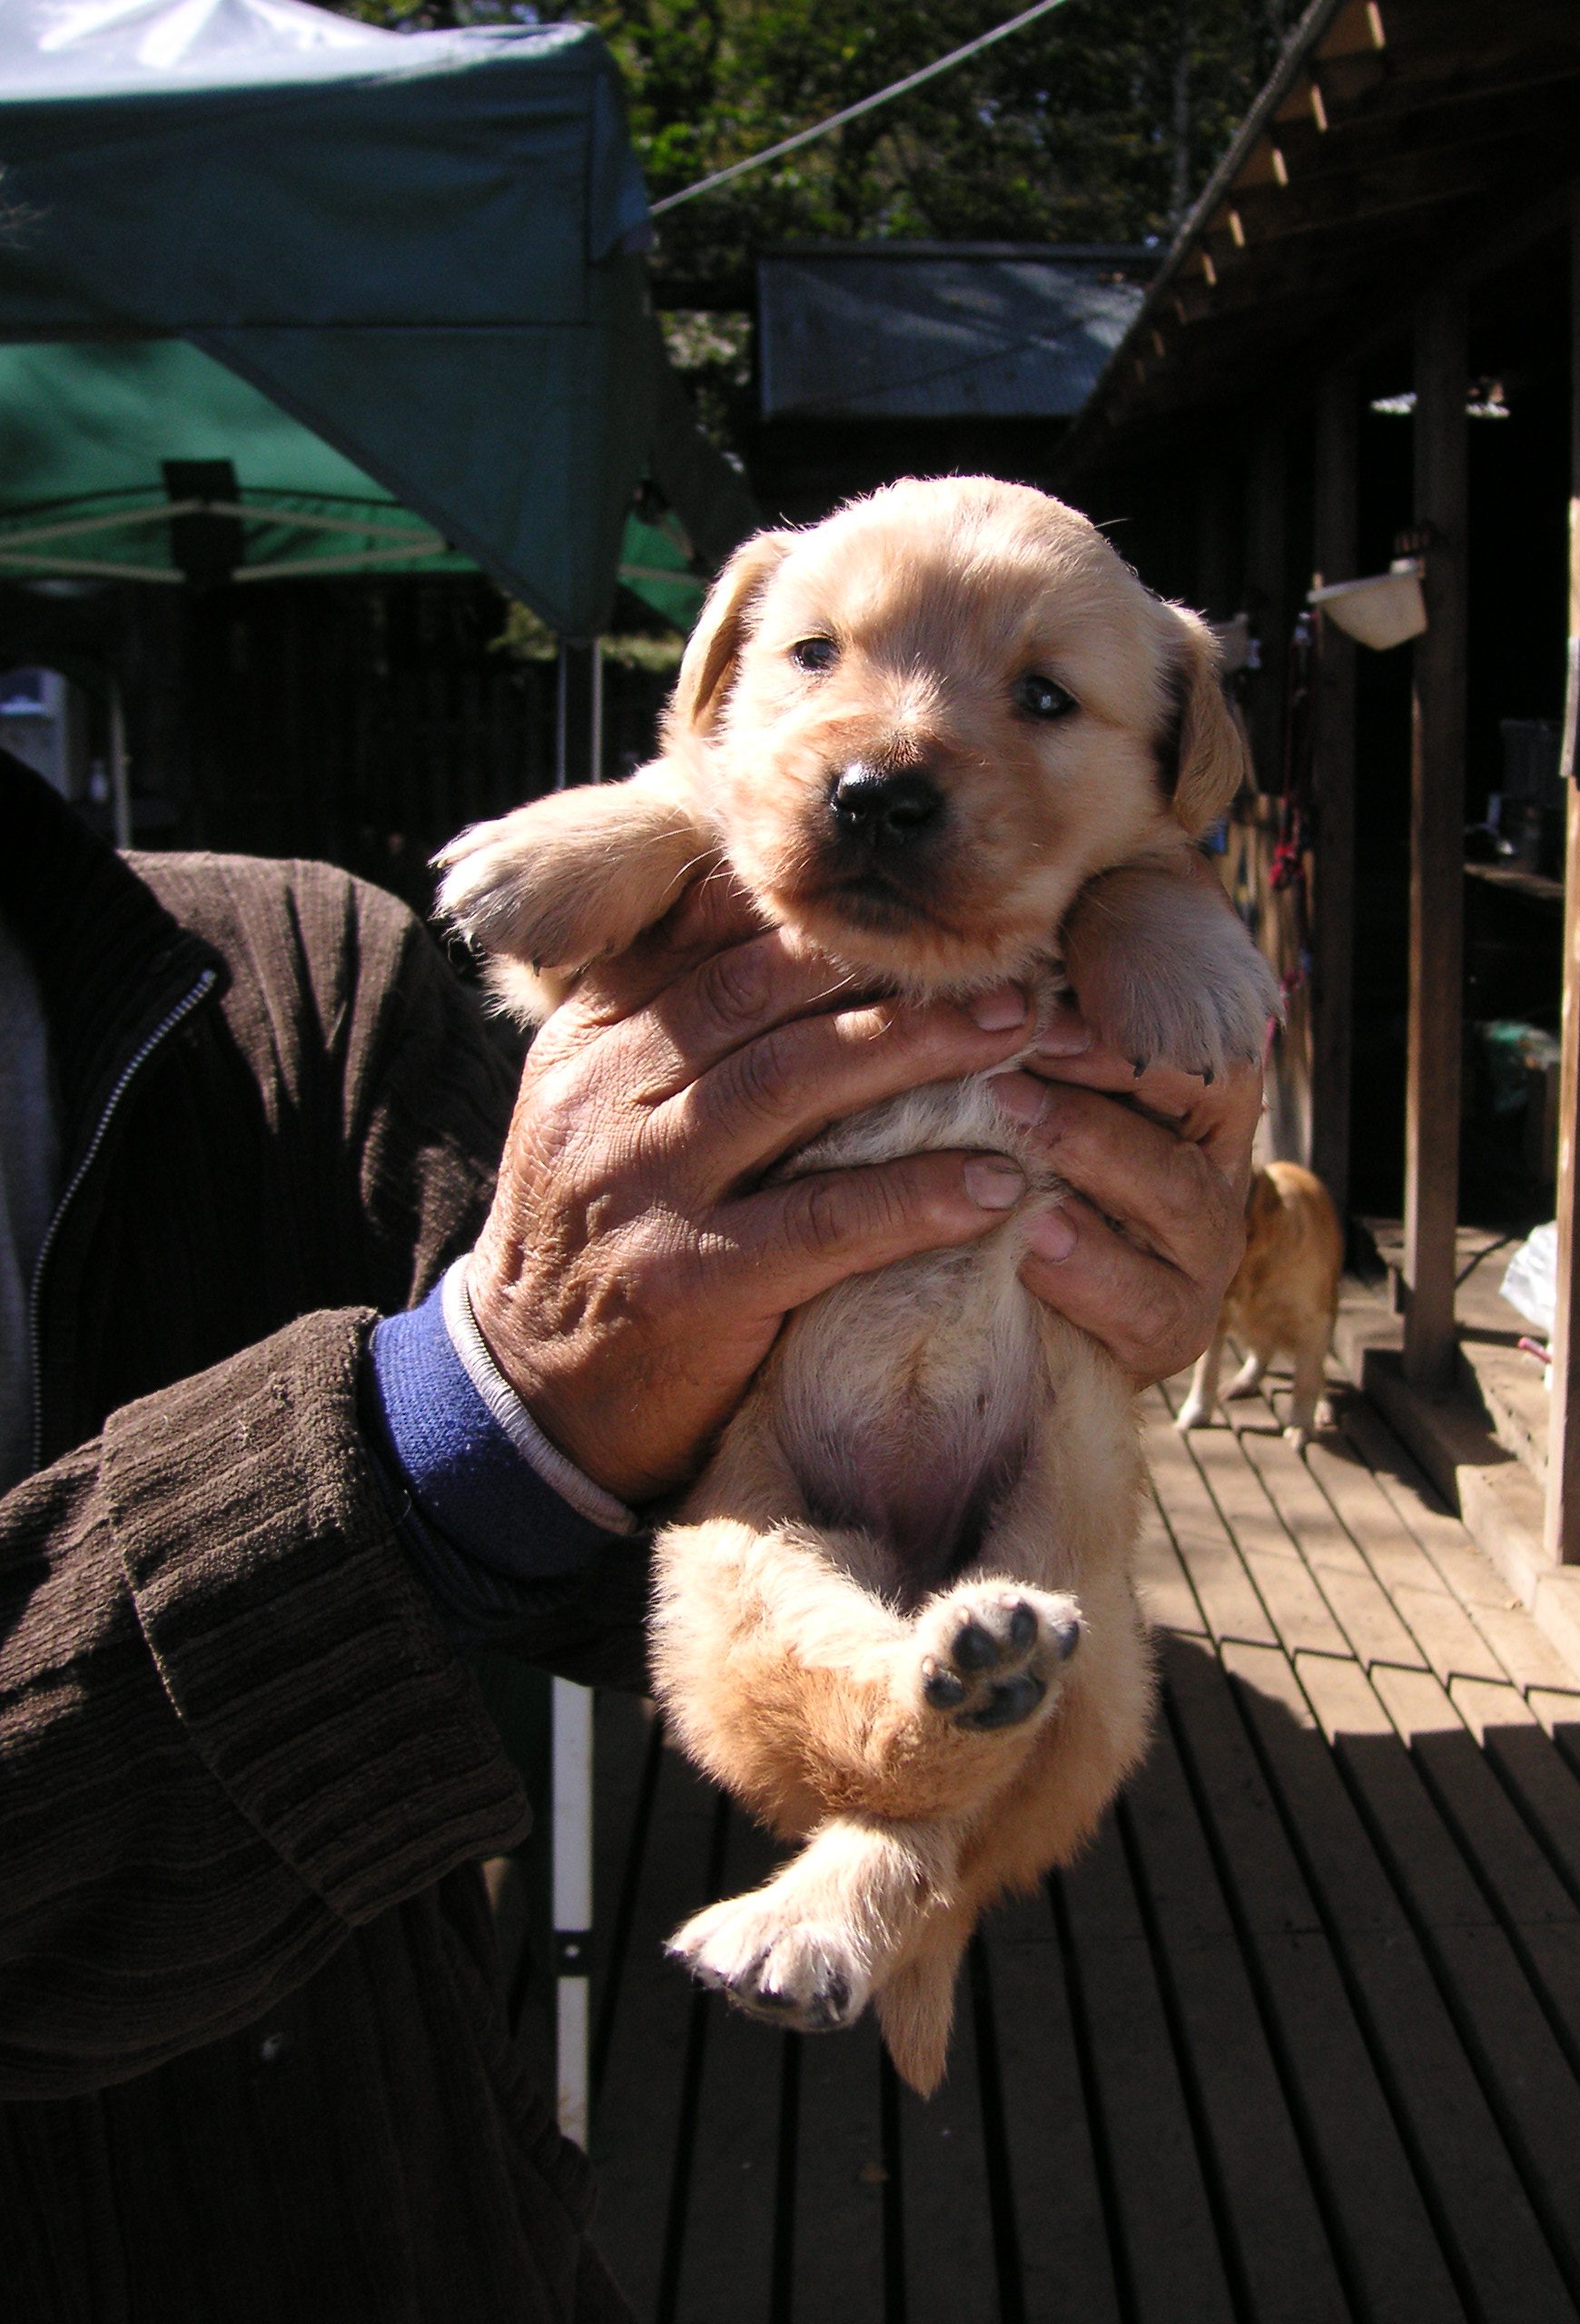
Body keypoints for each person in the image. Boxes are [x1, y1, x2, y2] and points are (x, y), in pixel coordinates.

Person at [0, 749, 1258, 2319]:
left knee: (973, 1616)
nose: (901, 741)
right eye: (820, 655)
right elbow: (590, 1467)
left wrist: (1110, 1216)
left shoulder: (306, 969)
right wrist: (464, 1424)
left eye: (1043, 695)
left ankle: (898, 1842)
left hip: (430, 2223)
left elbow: (613, 1559)